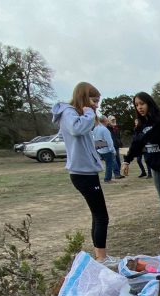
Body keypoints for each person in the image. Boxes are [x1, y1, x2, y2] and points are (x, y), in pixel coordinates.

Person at [51, 82, 117, 266]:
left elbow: (87, 140)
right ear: (83, 97)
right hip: (82, 173)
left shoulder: (79, 116)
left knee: (98, 216)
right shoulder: (69, 114)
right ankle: (102, 258)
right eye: (94, 100)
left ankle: (100, 256)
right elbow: (77, 129)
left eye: (97, 102)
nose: (96, 105)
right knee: (102, 216)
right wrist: (89, 113)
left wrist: (100, 154)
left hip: (88, 171)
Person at [122, 92, 160, 241]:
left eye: (142, 103)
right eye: (136, 105)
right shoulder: (141, 125)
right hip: (155, 166)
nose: (139, 107)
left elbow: (153, 137)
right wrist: (127, 160)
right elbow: (136, 144)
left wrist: (140, 134)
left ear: (149, 103)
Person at [94, 116, 117, 182]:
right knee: (109, 165)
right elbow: (109, 141)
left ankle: (107, 178)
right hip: (107, 150)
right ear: (104, 121)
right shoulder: (105, 129)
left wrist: (100, 146)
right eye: (107, 120)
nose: (108, 122)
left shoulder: (96, 128)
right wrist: (113, 150)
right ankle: (107, 179)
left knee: (108, 164)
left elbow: (96, 140)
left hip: (99, 149)